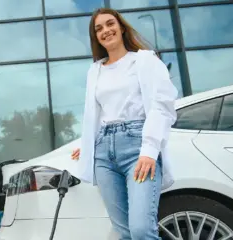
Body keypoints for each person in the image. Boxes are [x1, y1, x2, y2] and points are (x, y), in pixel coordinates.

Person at [70, 8, 178, 240]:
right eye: (98, 29)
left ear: (121, 27)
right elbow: (95, 114)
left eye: (110, 24)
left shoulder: (144, 60)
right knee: (124, 232)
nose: (105, 31)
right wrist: (87, 143)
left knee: (141, 230)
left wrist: (149, 150)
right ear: (95, 37)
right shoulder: (95, 70)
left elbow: (162, 106)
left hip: (137, 148)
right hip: (103, 156)